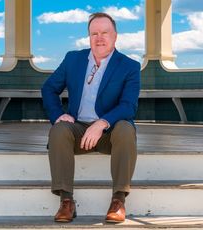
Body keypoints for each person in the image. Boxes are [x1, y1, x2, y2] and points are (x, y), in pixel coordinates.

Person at [41, 12, 140, 223]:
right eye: (94, 33)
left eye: (105, 32)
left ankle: (118, 200)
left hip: (110, 132)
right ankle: (66, 201)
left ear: (115, 36)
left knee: (125, 128)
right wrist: (58, 115)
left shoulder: (129, 66)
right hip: (77, 129)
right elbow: (49, 88)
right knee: (58, 130)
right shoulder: (73, 59)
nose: (99, 38)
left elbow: (128, 106)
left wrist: (102, 123)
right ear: (89, 37)